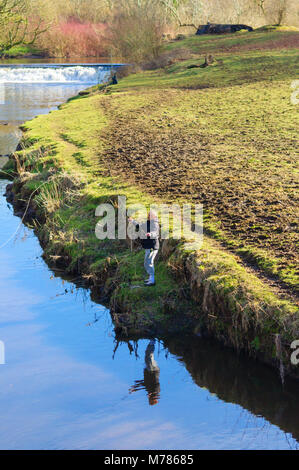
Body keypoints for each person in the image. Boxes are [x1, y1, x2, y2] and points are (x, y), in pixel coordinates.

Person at [128, 210, 159, 287]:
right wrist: (132, 221)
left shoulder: (155, 224)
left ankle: (152, 280)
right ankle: (150, 277)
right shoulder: (148, 222)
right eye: (149, 215)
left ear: (155, 216)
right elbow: (139, 225)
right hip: (147, 246)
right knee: (146, 262)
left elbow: (155, 233)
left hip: (152, 246)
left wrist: (150, 234)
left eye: (151, 215)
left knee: (150, 262)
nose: (149, 216)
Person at [129, 340, 160, 406]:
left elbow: (144, 384)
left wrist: (135, 388)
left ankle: (152, 343)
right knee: (149, 356)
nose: (148, 398)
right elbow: (156, 385)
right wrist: (152, 393)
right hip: (152, 370)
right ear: (153, 398)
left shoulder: (149, 390)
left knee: (147, 355)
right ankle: (152, 342)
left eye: (149, 399)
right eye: (150, 399)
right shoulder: (157, 391)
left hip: (149, 370)